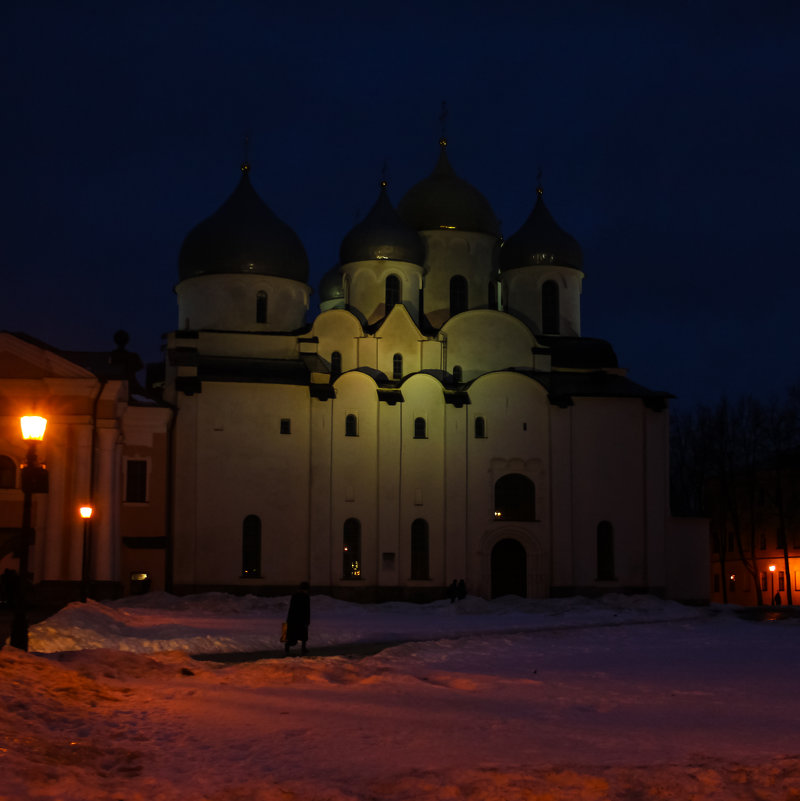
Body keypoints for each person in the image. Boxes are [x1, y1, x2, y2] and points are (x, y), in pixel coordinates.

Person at [285, 581, 310, 656]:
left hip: (293, 618)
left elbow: (291, 608)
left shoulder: (295, 596)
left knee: (293, 635)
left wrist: (289, 619)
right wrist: (307, 620)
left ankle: (288, 646)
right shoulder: (306, 597)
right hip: (302, 619)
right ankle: (303, 648)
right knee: (303, 635)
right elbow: (307, 610)